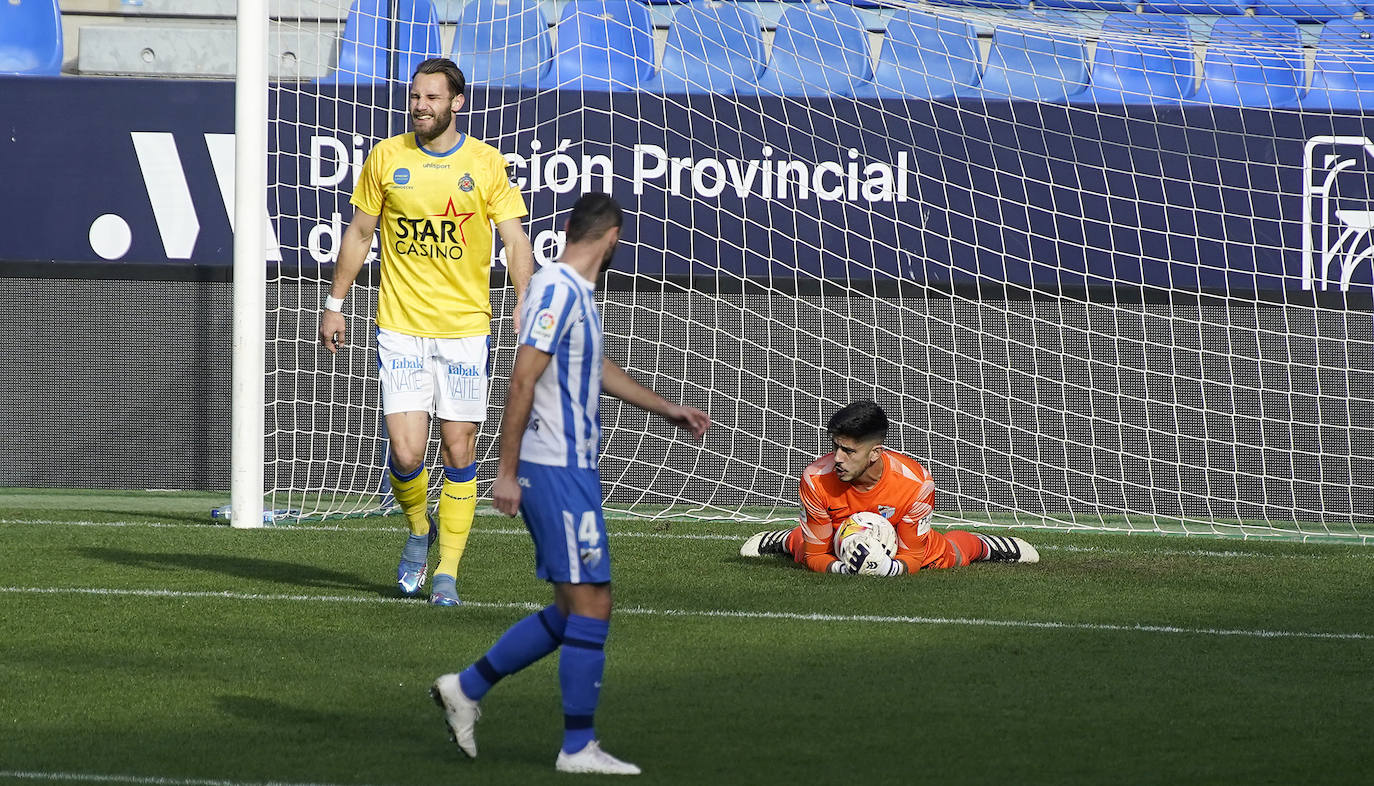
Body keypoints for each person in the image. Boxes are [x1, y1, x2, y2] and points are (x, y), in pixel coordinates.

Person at [430, 193, 710, 776]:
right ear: (612, 239)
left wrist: (667, 409)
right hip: (554, 468)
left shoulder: (573, 293)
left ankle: (466, 687)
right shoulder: (557, 290)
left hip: (567, 467)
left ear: (569, 229)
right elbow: (522, 378)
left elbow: (592, 368)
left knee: (571, 608)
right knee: (593, 602)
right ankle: (577, 746)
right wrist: (504, 472)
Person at [317, 57, 534, 605]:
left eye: (432, 98)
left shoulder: (485, 165)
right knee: (408, 453)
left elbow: (514, 239)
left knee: (459, 452)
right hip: (400, 327)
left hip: (464, 331)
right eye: (415, 97)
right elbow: (360, 233)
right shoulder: (386, 157)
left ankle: (448, 574)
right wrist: (335, 302)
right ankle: (418, 530)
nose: (420, 106)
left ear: (456, 103)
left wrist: (525, 299)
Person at [740, 400, 1039, 574]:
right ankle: (783, 540)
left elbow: (911, 556)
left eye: (849, 451)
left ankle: (986, 545)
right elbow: (819, 555)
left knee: (948, 556)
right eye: (835, 448)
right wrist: (843, 568)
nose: (838, 459)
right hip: (836, 535)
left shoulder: (916, 483)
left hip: (899, 534)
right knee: (806, 548)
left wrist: (889, 569)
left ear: (875, 453)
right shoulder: (816, 478)